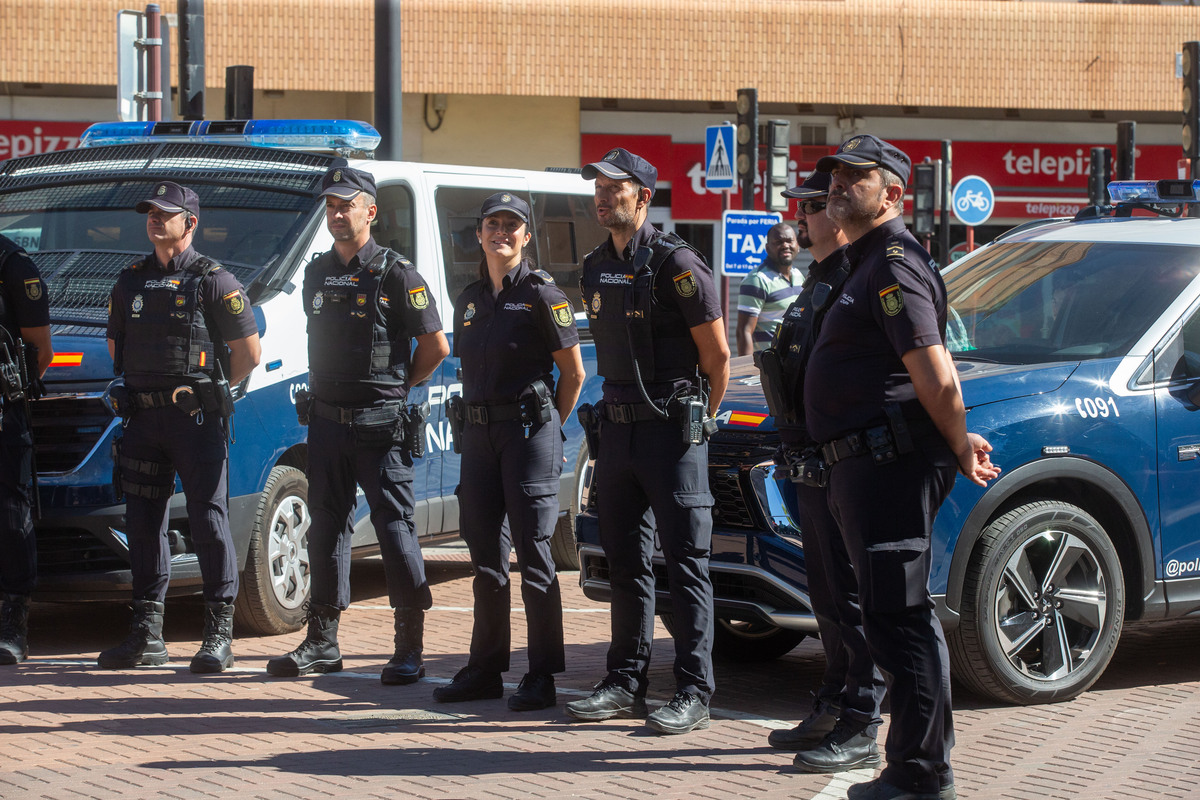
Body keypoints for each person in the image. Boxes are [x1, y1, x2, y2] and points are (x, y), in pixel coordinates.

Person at [805, 135, 1000, 800]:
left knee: (900, 619)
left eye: (854, 176)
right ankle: (913, 770)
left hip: (888, 465)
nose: (835, 185)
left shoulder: (893, 262)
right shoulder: (860, 261)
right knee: (890, 619)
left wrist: (958, 438)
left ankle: (920, 777)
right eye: (834, 175)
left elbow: (935, 372)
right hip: (861, 465)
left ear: (892, 193)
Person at [565, 147, 729, 735]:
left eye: (616, 187)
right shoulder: (592, 267)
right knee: (626, 561)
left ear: (644, 197)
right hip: (617, 433)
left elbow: (717, 358)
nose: (604, 196)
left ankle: (693, 689)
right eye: (598, 188)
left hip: (671, 434)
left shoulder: (677, 264)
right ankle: (624, 678)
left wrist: (696, 424)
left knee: (686, 564)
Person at [267, 167, 449, 684]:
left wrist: (397, 391)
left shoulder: (396, 273)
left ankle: (408, 646)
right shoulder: (317, 272)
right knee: (324, 529)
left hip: (379, 426)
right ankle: (322, 641)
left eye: (347, 205)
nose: (337, 214)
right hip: (326, 424)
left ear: (370, 210)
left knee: (395, 531)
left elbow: (436, 346)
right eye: (331, 206)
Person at [100, 181, 262, 673]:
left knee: (208, 519)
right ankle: (147, 636)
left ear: (190, 223)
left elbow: (249, 354)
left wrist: (209, 393)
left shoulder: (215, 280)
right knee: (143, 523)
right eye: (150, 211)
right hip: (143, 420)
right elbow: (116, 349)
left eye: (165, 212)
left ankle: (218, 636)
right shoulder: (128, 280)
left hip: (194, 421)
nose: (154, 218)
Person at [433, 192, 585, 710]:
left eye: (512, 225)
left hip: (528, 437)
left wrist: (547, 431)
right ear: (478, 234)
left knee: (536, 557)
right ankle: (485, 669)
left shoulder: (543, 296)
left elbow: (574, 373)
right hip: (478, 439)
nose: (502, 232)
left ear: (526, 236)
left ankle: (542, 675)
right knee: (486, 560)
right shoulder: (469, 299)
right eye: (492, 224)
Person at [756, 171, 885, 772]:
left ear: (834, 215)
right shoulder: (815, 282)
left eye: (809, 208)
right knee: (828, 597)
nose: (800, 219)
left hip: (844, 459)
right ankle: (834, 701)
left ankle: (862, 719)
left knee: (854, 598)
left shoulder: (855, 279)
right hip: (807, 459)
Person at [0, 234, 52, 665]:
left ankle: (13, 620)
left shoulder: (12, 265)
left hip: (2, 412)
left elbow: (40, 351)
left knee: (10, 513)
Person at [736, 223, 803, 355]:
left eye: (790, 241)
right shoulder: (757, 280)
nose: (785, 246)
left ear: (798, 246)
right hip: (769, 367)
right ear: (767, 248)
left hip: (793, 363)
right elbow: (744, 331)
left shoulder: (799, 276)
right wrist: (748, 371)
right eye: (778, 242)